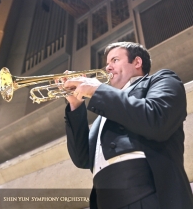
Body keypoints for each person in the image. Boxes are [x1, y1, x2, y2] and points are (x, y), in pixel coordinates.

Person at [63, 41, 193, 209]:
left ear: (137, 62)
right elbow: (82, 159)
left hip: (150, 193)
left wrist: (98, 90)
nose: (107, 68)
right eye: (107, 63)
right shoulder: (102, 116)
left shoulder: (161, 80)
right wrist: (75, 104)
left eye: (115, 60)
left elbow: (157, 120)